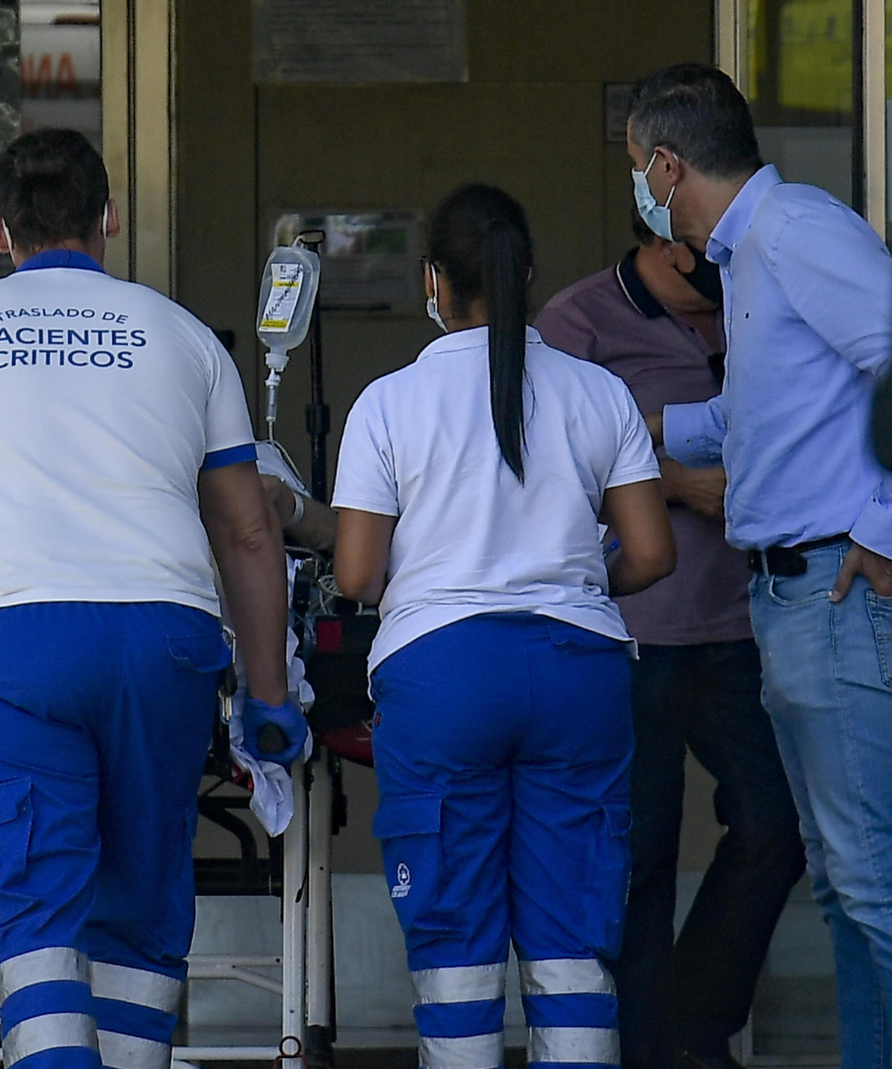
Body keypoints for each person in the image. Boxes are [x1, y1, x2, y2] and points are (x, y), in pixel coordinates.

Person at [0, 129, 304, 1069]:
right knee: (136, 903)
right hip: (163, 638)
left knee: (37, 914)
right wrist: (270, 697)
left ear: (0, 232)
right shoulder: (186, 336)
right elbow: (248, 530)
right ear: (108, 220)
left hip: (17, 645)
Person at [625, 65, 892, 1069]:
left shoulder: (797, 232)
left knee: (876, 878)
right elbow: (760, 416)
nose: (639, 190)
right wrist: (631, 428)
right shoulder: (754, 254)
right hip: (794, 598)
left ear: (670, 166)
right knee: (844, 882)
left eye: (639, 169)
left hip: (841, 594)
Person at [332, 184, 677, 1069]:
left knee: (456, 944)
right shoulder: (599, 394)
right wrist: (568, 580)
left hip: (442, 678)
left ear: (434, 283)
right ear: (527, 275)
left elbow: (359, 573)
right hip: (578, 673)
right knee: (573, 941)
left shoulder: (387, 402)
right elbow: (650, 553)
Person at [535, 212, 806, 1069]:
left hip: (750, 619)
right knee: (641, 853)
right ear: (663, 240)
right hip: (637, 627)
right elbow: (551, 456)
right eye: (709, 256)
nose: (723, 271)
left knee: (777, 826)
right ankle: (652, 1050)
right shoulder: (578, 321)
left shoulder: (755, 309)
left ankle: (690, 1029)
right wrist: (678, 481)